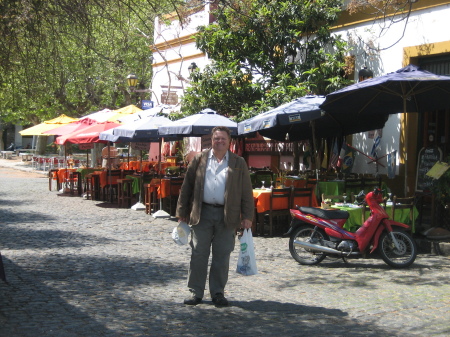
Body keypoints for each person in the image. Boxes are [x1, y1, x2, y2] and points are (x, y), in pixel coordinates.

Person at [176, 126, 254, 306]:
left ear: (229, 142)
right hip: (201, 213)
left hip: (228, 215)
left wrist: (247, 216)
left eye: (223, 139)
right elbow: (186, 187)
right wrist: (182, 213)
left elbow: (246, 192)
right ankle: (196, 292)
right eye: (216, 138)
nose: (219, 141)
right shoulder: (199, 159)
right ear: (211, 140)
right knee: (198, 254)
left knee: (222, 255)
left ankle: (218, 292)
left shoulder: (238, 162)